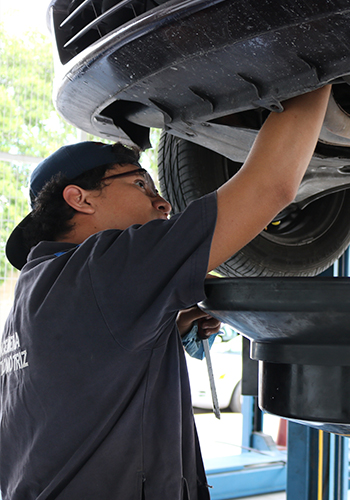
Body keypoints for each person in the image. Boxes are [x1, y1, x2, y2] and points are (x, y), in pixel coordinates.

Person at [0, 85, 331, 500]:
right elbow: (271, 187)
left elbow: (80, 384)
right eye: (141, 184)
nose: (164, 204)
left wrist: (163, 327)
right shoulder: (104, 269)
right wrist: (322, 65)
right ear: (79, 199)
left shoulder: (36, 292)